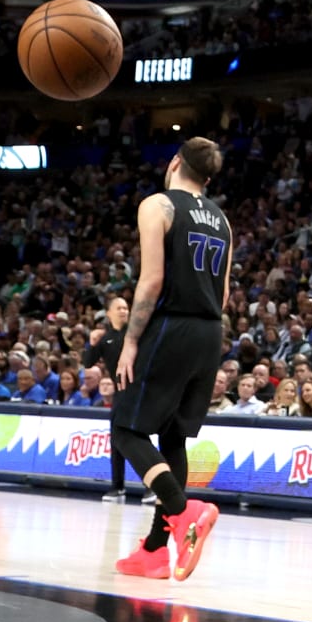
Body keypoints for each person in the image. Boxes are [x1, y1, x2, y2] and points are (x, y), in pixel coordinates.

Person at [108, 138, 231, 583]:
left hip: (172, 326)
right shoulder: (222, 220)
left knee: (125, 426)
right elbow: (227, 293)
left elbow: (152, 280)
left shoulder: (158, 204)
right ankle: (157, 550)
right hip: (210, 330)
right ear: (209, 177)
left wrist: (130, 340)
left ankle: (183, 511)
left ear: (175, 162)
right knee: (174, 436)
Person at [87, 296, 133, 501]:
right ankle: (118, 486)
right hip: (120, 393)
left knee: (140, 439)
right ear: (109, 313)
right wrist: (92, 340)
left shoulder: (135, 334)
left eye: (126, 307)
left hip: (138, 390)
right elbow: (87, 361)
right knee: (116, 440)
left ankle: (152, 487)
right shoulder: (106, 338)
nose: (124, 311)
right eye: (119, 308)